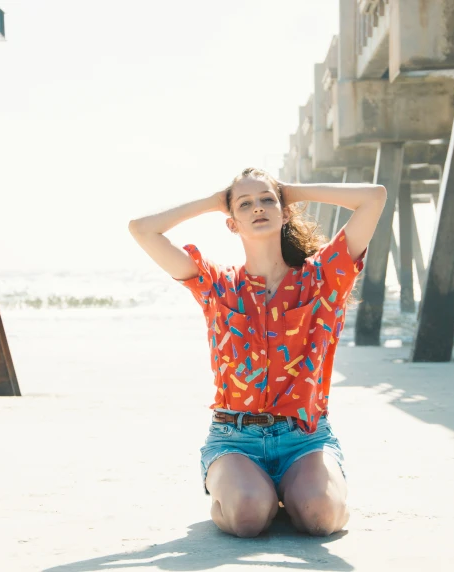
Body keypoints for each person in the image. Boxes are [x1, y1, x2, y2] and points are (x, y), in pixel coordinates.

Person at [128, 168, 386, 538]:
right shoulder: (217, 285)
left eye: (267, 200)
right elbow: (141, 229)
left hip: (305, 437)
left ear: (284, 211)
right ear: (232, 223)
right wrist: (215, 202)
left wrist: (289, 191)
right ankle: (254, 495)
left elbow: (373, 197)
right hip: (235, 438)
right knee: (247, 520)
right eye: (245, 204)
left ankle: (292, 494)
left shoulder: (323, 277)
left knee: (321, 518)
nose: (258, 208)